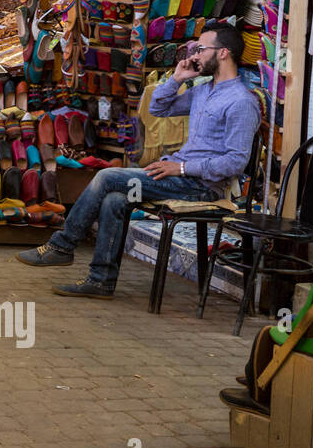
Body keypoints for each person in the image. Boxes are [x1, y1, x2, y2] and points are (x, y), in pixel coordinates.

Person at [17, 24, 262, 298]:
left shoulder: (241, 101)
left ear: (224, 53)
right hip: (174, 178)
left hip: (199, 187)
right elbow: (158, 107)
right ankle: (101, 281)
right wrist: (178, 78)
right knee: (115, 199)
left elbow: (235, 162)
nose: (196, 54)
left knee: (108, 177)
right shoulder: (204, 91)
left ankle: (61, 246)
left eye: (202, 49)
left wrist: (181, 167)